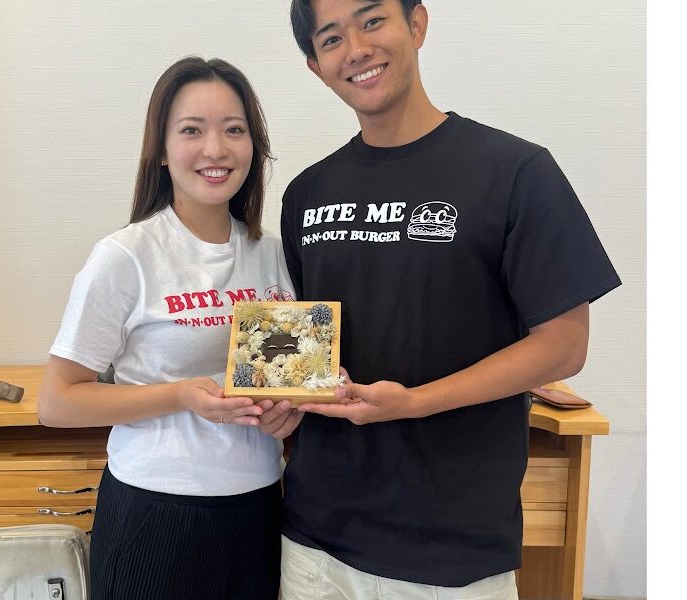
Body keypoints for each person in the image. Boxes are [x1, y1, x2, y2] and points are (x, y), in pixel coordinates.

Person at [257, 1, 622, 598]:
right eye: (332, 38)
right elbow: (307, 350)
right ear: (316, 66)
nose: (357, 48)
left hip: (453, 551)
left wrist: (415, 403)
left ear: (417, 23)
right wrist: (283, 403)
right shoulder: (307, 193)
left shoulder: (515, 171)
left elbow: (563, 346)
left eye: (372, 21)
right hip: (316, 541)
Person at [38, 56, 294, 600]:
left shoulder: (271, 253)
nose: (215, 149)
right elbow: (57, 402)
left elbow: (279, 380)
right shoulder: (126, 256)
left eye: (234, 130)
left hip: (259, 507)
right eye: (192, 131)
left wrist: (286, 412)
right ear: (160, 148)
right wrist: (180, 395)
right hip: (155, 511)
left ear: (254, 145)